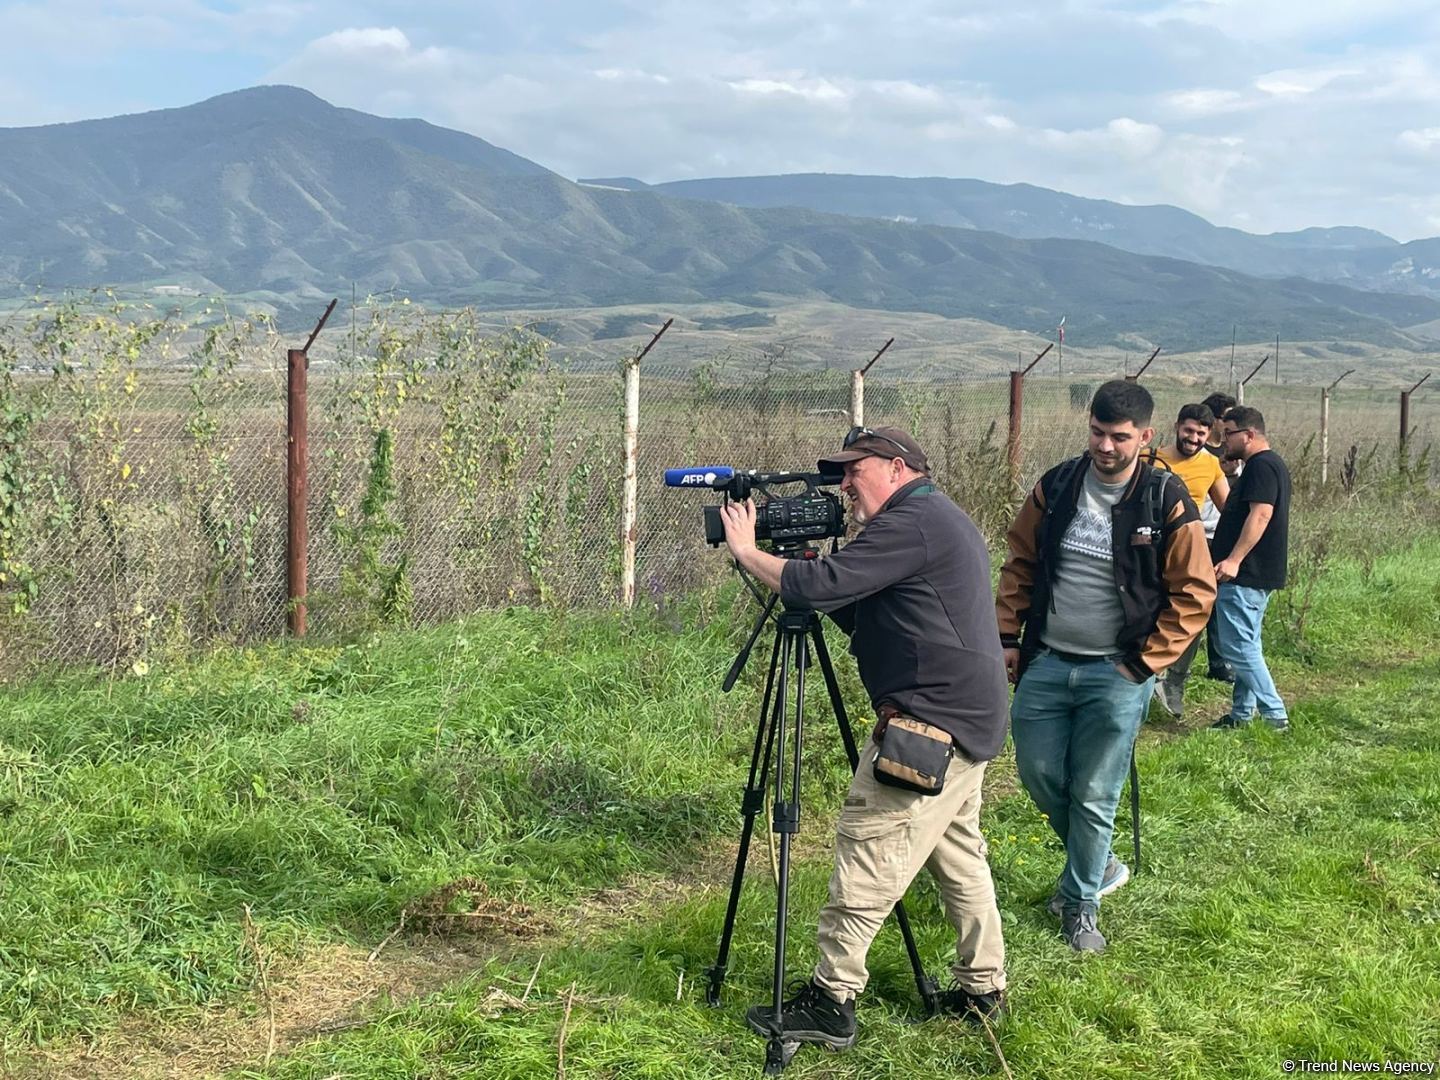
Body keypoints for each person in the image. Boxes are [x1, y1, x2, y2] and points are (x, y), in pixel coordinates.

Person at [717, 425, 1009, 1050]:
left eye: (857, 470)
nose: (846, 484)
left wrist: (749, 552)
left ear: (898, 468)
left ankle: (831, 1000)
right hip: (967, 717)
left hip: (931, 724)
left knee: (868, 847)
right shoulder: (925, 518)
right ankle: (982, 986)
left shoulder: (913, 522)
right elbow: (864, 607)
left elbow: (821, 590)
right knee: (957, 854)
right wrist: (806, 570)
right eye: (842, 473)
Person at [995, 381, 1215, 952]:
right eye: (1098, 432)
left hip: (1117, 672)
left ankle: (1081, 903)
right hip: (1046, 661)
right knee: (1041, 777)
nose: (1106, 447)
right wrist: (1007, 637)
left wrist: (1142, 666)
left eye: (1120, 437)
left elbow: (1194, 592)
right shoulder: (1059, 485)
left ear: (1146, 437)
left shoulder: (1165, 499)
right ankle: (1102, 863)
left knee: (1095, 791)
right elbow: (1020, 561)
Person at [1208, 406, 1292, 731]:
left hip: (1245, 573)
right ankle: (1242, 715)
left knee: (1237, 647)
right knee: (1247, 644)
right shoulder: (1260, 467)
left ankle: (1275, 717)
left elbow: (1260, 515)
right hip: (1252, 573)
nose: (1223, 439)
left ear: (1249, 435)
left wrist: (1233, 560)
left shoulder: (1262, 466)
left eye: (1228, 433)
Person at [1151, 404, 1230, 715]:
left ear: (1209, 435)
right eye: (1189, 430)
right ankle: (1148, 678)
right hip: (1150, 550)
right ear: (1177, 427)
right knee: (1149, 613)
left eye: (1201, 433)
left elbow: (1229, 510)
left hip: (1190, 553)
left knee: (1192, 617)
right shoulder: (1152, 457)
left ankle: (1175, 682)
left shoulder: (1211, 465)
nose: (1193, 438)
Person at [1196, 392, 1241, 684]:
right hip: (1198, 533)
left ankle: (1219, 661)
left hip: (1220, 536)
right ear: (1215, 422)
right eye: (1228, 420)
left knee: (1217, 601)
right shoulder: (1198, 453)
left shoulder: (1234, 454)